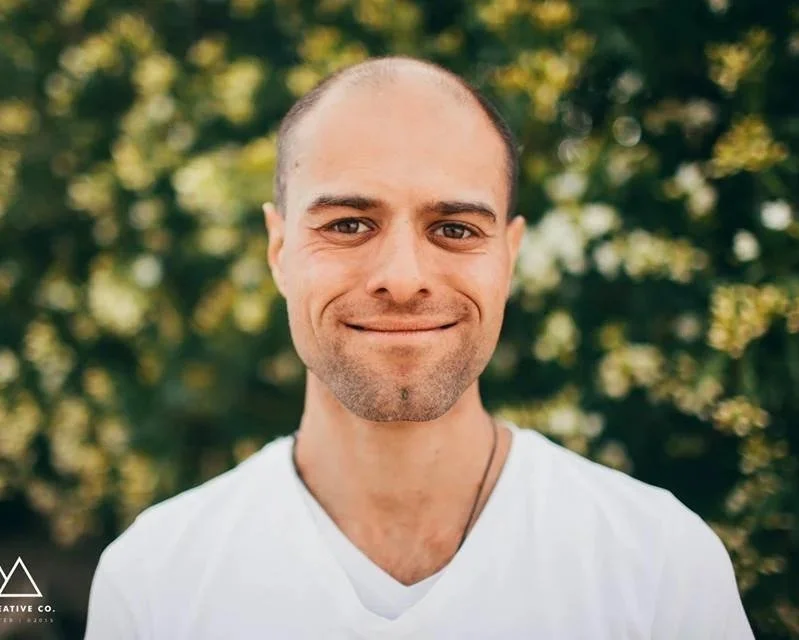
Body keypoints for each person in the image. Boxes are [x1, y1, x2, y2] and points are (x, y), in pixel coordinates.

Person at [84, 55, 754, 639]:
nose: (403, 279)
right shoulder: (155, 580)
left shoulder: (658, 567)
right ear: (279, 250)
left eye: (454, 229)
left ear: (509, 257)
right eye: (349, 224)